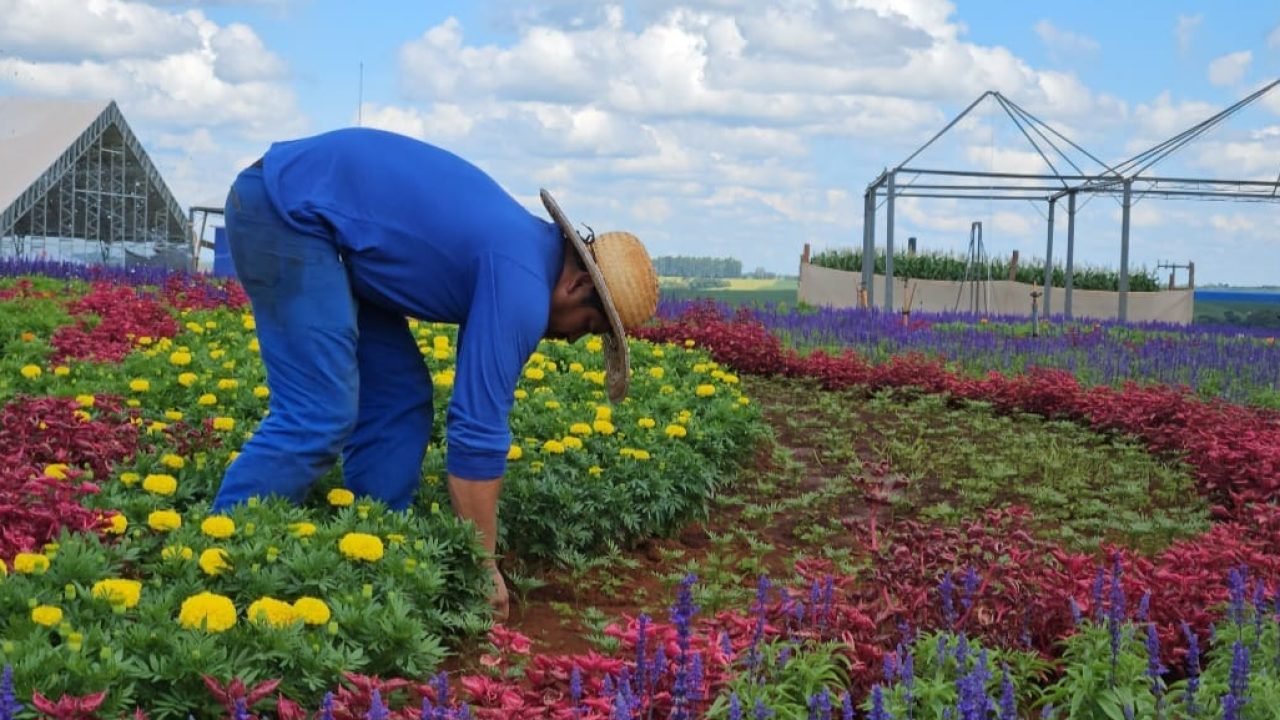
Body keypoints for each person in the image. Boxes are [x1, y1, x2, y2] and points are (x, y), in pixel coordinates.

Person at [208, 127, 659, 621]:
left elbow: (475, 413)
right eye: (589, 327)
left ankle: (372, 553)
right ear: (575, 285)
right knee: (318, 413)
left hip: (327, 227)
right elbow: (477, 429)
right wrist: (483, 566)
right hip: (285, 208)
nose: (574, 340)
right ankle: (219, 566)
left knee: (399, 399)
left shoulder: (522, 252)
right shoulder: (524, 282)